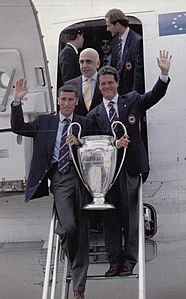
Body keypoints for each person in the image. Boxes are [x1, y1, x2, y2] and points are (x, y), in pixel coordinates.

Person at [87, 50, 172, 277]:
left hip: (131, 168)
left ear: (117, 84)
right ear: (99, 87)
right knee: (110, 217)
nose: (106, 87)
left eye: (110, 83)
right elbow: (93, 143)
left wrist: (163, 75)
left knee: (131, 215)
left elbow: (153, 96)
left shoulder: (132, 100)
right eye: (103, 84)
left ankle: (130, 261)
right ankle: (114, 261)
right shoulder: (95, 114)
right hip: (107, 173)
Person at [10, 81, 92, 299]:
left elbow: (99, 143)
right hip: (61, 178)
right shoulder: (45, 121)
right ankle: (63, 235)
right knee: (69, 227)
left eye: (70, 100)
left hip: (84, 180)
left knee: (82, 233)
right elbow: (19, 128)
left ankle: (78, 290)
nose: (66, 103)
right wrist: (17, 101)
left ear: (76, 103)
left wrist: (81, 141)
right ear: (58, 101)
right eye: (63, 99)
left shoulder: (85, 122)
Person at [105, 8, 145, 94]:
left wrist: (134, 97)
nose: (107, 29)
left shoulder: (136, 41)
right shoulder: (115, 41)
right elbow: (113, 67)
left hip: (130, 94)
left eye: (109, 26)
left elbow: (138, 74)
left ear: (118, 25)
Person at [66, 48, 102, 116]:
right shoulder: (69, 85)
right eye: (81, 62)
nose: (84, 66)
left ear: (98, 64)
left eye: (88, 61)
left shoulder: (107, 84)